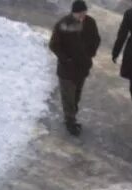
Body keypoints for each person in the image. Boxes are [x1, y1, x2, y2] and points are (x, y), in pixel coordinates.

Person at [49, 0, 101, 136]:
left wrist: (90, 53)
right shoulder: (63, 24)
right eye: (79, 13)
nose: (82, 16)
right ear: (73, 12)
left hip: (82, 67)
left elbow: (96, 39)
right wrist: (66, 59)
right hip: (67, 69)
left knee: (76, 95)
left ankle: (72, 118)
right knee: (68, 97)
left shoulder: (90, 22)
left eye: (84, 12)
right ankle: (70, 122)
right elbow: (54, 45)